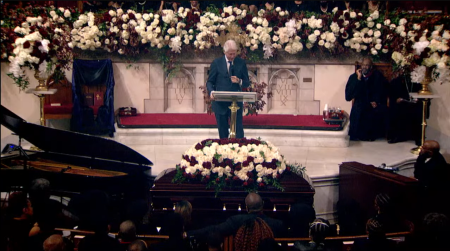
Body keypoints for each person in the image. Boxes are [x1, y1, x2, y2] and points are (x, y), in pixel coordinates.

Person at [186, 193, 285, 241]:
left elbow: (214, 229)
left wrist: (188, 234)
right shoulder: (277, 224)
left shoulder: (236, 221)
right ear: (262, 204)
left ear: (246, 207)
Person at [206, 39, 250, 139]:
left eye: (234, 54)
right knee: (223, 132)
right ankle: (224, 151)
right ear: (224, 52)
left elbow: (247, 83)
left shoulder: (241, 63)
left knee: (238, 132)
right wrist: (211, 92)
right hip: (220, 103)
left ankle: (239, 151)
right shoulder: (216, 63)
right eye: (230, 54)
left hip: (235, 102)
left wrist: (239, 81)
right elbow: (209, 82)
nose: (232, 56)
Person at [345, 57, 388, 141]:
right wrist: (358, 79)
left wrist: (376, 100)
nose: (365, 67)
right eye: (363, 65)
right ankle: (356, 134)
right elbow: (349, 95)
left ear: (371, 67)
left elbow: (382, 89)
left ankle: (368, 135)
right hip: (360, 103)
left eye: (367, 65)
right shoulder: (354, 77)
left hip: (373, 103)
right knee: (358, 108)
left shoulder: (377, 76)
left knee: (374, 110)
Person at [387, 76, 423, 144]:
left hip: (413, 104)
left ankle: (417, 137)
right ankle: (396, 136)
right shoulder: (395, 81)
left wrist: (417, 98)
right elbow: (391, 94)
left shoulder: (416, 80)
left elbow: (419, 91)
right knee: (394, 113)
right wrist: (396, 99)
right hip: (399, 104)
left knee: (418, 113)